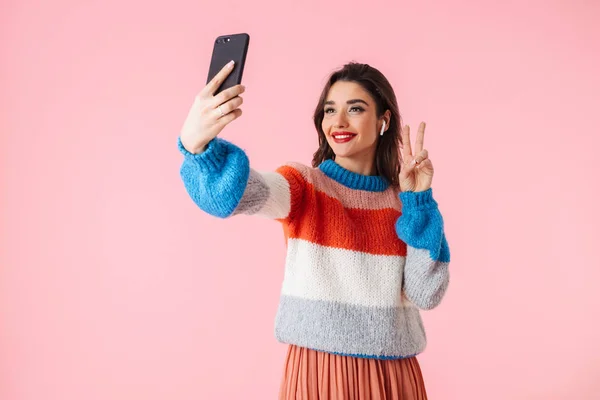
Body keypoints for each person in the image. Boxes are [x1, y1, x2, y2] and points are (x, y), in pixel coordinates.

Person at [177, 61, 451, 400]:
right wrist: (196, 146)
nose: (338, 122)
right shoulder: (304, 186)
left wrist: (420, 201)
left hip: (391, 374)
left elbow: (428, 293)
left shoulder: (404, 204)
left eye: (355, 108)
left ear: (383, 121)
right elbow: (235, 195)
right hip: (318, 372)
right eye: (329, 110)